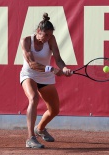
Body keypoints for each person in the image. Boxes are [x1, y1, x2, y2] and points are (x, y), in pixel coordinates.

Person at [20, 13, 72, 148]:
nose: (48, 38)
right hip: (29, 74)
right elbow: (32, 63)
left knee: (54, 110)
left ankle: (40, 129)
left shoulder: (51, 39)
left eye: (50, 35)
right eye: (45, 35)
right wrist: (52, 69)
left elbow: (58, 59)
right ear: (38, 31)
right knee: (33, 98)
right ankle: (30, 138)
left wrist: (65, 68)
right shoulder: (26, 41)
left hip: (45, 78)